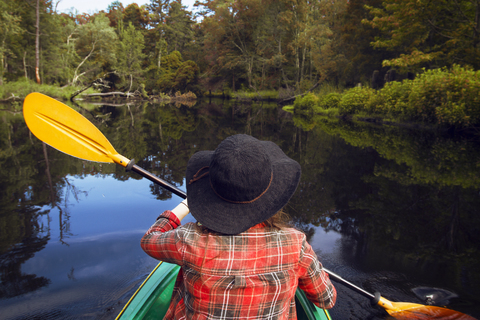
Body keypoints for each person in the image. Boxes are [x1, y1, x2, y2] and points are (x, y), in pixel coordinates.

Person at [141, 134, 336, 319]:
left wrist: (180, 209)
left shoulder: (188, 241)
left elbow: (149, 240)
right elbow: (326, 299)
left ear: (211, 191)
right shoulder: (296, 244)